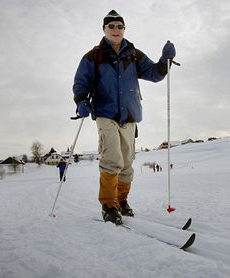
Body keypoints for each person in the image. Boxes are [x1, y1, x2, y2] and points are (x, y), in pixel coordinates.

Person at [72, 10, 176, 225]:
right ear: (104, 29)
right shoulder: (94, 56)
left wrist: (165, 60)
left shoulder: (133, 54)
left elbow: (154, 74)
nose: (116, 30)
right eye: (111, 26)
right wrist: (81, 101)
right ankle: (109, 205)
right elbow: (81, 82)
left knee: (127, 162)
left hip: (129, 115)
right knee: (112, 158)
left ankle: (121, 200)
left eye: (120, 26)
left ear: (124, 29)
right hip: (104, 112)